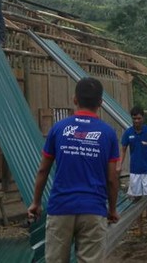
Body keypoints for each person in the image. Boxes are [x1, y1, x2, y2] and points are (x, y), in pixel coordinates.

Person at [27, 77, 120, 263]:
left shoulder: (59, 129)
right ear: (101, 103)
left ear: (74, 99)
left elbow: (43, 171)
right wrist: (112, 209)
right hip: (93, 210)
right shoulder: (108, 134)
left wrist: (36, 203)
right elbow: (112, 178)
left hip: (61, 208)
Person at [117, 105, 147, 235]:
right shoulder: (128, 133)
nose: (136, 121)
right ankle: (139, 227)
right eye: (134, 119)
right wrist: (119, 165)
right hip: (135, 172)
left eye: (138, 118)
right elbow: (123, 150)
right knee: (136, 199)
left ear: (143, 118)